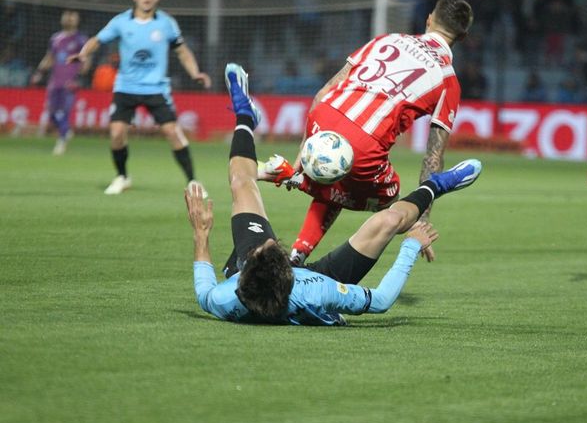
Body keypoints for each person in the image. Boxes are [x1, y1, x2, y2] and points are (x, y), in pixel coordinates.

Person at [186, 63, 482, 325]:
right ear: (290, 272)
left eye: (256, 251)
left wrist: (201, 233)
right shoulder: (317, 290)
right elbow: (379, 301)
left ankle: (244, 114)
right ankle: (438, 185)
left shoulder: (227, 298)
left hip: (262, 285)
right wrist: (410, 246)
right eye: (271, 247)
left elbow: (203, 292)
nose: (266, 240)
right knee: (387, 223)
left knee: (241, 181)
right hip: (318, 278)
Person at [258, 0, 474, 266]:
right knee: (393, 199)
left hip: (324, 115)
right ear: (463, 37)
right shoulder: (447, 80)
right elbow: (433, 156)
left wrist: (304, 151)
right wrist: (422, 217)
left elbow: (324, 91)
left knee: (339, 175)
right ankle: (299, 181)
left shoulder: (387, 39)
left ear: (429, 19)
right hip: (363, 145)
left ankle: (298, 255)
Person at [67, 0, 211, 195]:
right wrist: (83, 54)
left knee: (173, 132)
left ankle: (193, 181)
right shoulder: (121, 22)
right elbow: (97, 39)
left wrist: (195, 72)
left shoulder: (166, 23)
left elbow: (182, 50)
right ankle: (122, 177)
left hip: (156, 89)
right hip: (126, 87)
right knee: (116, 134)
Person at [30, 10, 89, 155]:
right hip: (55, 82)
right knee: (51, 114)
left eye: (72, 17)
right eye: (67, 16)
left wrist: (81, 74)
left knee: (64, 112)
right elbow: (50, 57)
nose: (69, 19)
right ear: (62, 19)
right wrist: (39, 72)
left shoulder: (80, 39)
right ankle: (66, 131)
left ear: (77, 20)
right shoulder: (55, 38)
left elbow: (86, 59)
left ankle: (61, 142)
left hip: (70, 83)